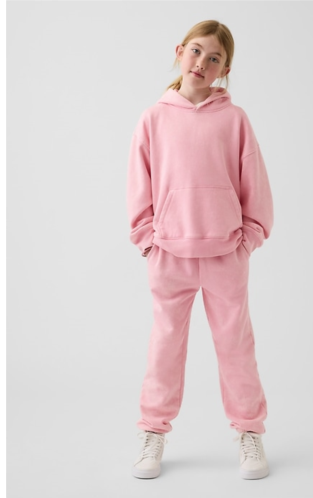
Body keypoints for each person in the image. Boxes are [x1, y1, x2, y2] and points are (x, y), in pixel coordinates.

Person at [126, 20, 274, 480]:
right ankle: (153, 431)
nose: (201, 63)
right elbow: (139, 183)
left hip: (225, 254)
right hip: (170, 255)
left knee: (236, 346)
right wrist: (147, 238)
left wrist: (249, 238)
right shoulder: (153, 118)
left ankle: (249, 432)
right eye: (196, 51)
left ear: (224, 70)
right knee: (165, 348)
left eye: (214, 59)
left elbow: (255, 185)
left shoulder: (235, 120)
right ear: (180, 51)